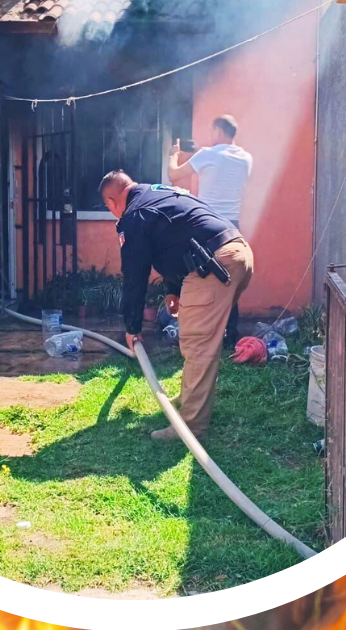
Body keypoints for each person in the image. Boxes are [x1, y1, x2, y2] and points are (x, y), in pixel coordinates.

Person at [102, 169, 255, 441]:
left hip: (214, 264)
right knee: (198, 339)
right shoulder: (159, 193)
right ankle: (189, 398)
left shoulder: (134, 215)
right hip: (237, 252)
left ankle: (191, 428)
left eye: (109, 208)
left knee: (198, 343)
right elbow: (180, 238)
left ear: (112, 201)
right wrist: (174, 290)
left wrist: (132, 327)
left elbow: (134, 276)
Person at [168, 114, 253, 346]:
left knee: (196, 276)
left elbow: (173, 175)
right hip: (232, 229)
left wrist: (173, 155)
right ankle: (229, 336)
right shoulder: (246, 158)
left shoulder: (207, 154)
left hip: (205, 225)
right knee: (229, 280)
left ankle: (197, 333)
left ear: (218, 130)